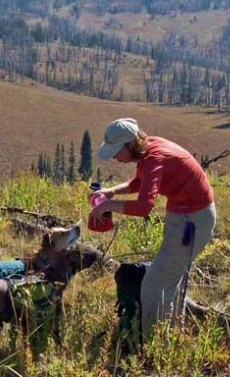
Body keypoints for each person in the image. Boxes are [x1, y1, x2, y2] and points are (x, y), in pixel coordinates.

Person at [90, 117, 216, 336]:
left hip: (192, 221)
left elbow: (143, 207)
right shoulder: (150, 148)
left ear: (131, 144)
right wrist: (111, 192)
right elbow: (140, 182)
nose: (115, 158)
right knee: (170, 279)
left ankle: (150, 345)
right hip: (184, 215)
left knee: (154, 285)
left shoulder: (155, 157)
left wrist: (109, 205)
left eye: (117, 151)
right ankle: (171, 335)